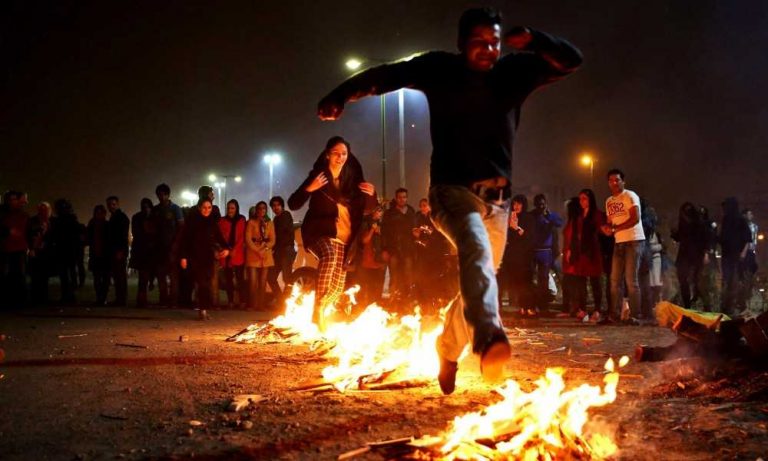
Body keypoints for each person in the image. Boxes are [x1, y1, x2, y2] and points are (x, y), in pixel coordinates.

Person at [317, 7, 582, 393]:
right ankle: (488, 335)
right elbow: (387, 75)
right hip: (451, 192)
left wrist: (537, 40)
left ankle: (447, 347)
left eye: (493, 42)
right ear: (460, 44)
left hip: (498, 203)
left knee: (480, 276)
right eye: (478, 42)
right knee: (475, 249)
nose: (487, 50)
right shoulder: (440, 68)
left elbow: (571, 60)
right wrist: (341, 94)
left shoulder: (513, 72)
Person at [288, 136, 377, 332]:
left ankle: (321, 312)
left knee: (337, 288)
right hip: (319, 233)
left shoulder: (351, 182)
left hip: (344, 241)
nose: (340, 157)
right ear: (327, 154)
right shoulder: (319, 177)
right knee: (328, 255)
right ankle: (317, 309)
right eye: (336, 153)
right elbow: (293, 203)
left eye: (344, 154)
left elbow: (368, 209)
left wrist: (372, 194)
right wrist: (309, 188)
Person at [600, 169, 645, 325]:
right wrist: (606, 229)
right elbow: (611, 222)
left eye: (617, 180)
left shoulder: (630, 196)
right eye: (611, 180)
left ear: (623, 181)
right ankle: (614, 314)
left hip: (634, 240)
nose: (614, 183)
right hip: (619, 242)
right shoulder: (609, 201)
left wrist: (615, 229)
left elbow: (635, 218)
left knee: (631, 280)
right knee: (614, 280)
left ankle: (635, 315)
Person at [180, 198, 230, 309]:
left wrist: (226, 248)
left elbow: (219, 237)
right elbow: (185, 240)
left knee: (207, 283)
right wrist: (183, 257)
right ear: (199, 208)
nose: (207, 210)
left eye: (209, 207)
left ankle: (204, 307)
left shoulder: (212, 222)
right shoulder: (192, 222)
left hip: (208, 257)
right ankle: (202, 308)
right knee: (201, 282)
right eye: (204, 207)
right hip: (195, 257)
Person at [499, 194, 535, 315]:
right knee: (514, 283)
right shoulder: (510, 218)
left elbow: (529, 237)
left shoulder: (528, 218)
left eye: (519, 204)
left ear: (524, 205)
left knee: (526, 283)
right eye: (514, 204)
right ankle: (520, 307)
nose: (516, 206)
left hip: (525, 257)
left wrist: (516, 227)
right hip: (512, 257)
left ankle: (529, 307)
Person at [382, 188, 418, 304]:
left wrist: (416, 235)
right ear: (396, 198)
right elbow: (384, 232)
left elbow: (415, 229)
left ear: (407, 198)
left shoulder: (411, 211)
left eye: (404, 197)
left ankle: (409, 300)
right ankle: (393, 300)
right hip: (393, 249)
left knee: (408, 274)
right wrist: (384, 249)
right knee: (394, 276)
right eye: (400, 197)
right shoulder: (389, 213)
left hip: (408, 249)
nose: (402, 199)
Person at [530, 194, 564, 313]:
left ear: (546, 204)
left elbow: (559, 223)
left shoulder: (550, 215)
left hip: (547, 251)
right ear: (535, 204)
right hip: (534, 250)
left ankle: (544, 305)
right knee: (535, 278)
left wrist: (548, 216)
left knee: (544, 279)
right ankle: (535, 304)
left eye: (543, 204)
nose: (541, 206)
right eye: (539, 204)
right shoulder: (532, 216)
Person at [152, 183, 184, 306]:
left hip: (172, 248)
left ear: (168, 195)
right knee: (161, 275)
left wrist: (176, 244)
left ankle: (173, 300)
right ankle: (163, 299)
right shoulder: (156, 210)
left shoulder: (175, 209)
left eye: (163, 194)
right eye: (159, 195)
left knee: (173, 275)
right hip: (159, 248)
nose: (161, 197)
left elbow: (181, 228)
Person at [671, 202, 706, 310]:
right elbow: (680, 237)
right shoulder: (685, 224)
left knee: (694, 281)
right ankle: (688, 304)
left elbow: (703, 239)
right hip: (685, 255)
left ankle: (698, 303)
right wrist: (674, 234)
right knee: (684, 280)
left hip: (693, 255)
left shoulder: (697, 224)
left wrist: (705, 253)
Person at [719, 197, 750, 315]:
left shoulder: (741, 220)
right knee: (726, 279)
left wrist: (743, 253)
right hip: (726, 254)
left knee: (735, 279)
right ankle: (726, 306)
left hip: (737, 255)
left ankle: (737, 305)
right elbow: (723, 237)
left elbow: (747, 238)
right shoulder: (726, 219)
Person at [0, 190, 29, 307]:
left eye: (15, 199)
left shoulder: (23, 215)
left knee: (19, 275)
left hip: (19, 249)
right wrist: (8, 232)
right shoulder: (3, 214)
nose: (15, 202)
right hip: (5, 249)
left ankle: (18, 300)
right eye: (12, 200)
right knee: (6, 275)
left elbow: (27, 231)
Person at [267, 196, 296, 307]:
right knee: (271, 277)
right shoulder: (276, 219)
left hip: (286, 250)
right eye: (273, 206)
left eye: (278, 205)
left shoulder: (285, 215)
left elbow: (281, 234)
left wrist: (272, 243)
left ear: (282, 205)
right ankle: (281, 300)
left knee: (287, 278)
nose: (276, 207)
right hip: (279, 252)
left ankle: (287, 303)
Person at [246, 201, 275, 310]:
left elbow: (273, 240)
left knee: (263, 282)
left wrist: (265, 248)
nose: (262, 210)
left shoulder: (269, 223)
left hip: (265, 255)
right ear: (256, 210)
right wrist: (258, 251)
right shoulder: (251, 222)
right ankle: (252, 304)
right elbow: (248, 239)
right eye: (260, 208)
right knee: (253, 282)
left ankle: (261, 305)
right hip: (253, 253)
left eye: (264, 208)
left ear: (266, 210)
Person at [356, 205, 386, 308]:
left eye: (381, 212)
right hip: (366, 260)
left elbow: (383, 242)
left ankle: (375, 307)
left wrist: (380, 232)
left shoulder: (381, 224)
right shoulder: (366, 222)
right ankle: (362, 306)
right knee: (364, 286)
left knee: (376, 287)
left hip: (377, 261)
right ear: (374, 211)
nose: (380, 214)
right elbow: (364, 240)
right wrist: (372, 230)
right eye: (378, 211)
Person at [220, 199, 247, 308]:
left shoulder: (241, 219)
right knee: (228, 279)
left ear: (236, 209)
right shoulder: (222, 221)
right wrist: (227, 249)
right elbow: (221, 236)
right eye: (228, 208)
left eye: (232, 208)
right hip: (226, 253)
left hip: (238, 253)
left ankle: (242, 301)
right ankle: (230, 301)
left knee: (240, 279)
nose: (230, 210)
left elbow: (242, 236)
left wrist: (234, 249)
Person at [130, 198, 156, 307]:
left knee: (145, 277)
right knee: (143, 277)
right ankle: (142, 299)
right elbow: (137, 234)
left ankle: (142, 299)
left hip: (149, 251)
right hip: (144, 251)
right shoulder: (139, 218)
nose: (146, 209)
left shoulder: (152, 217)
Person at [27, 202, 53, 305]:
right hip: (36, 250)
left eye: (46, 210)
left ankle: (43, 297)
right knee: (35, 276)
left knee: (44, 276)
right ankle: (36, 297)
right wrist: (31, 248)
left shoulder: (52, 222)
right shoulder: (33, 221)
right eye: (42, 210)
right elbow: (29, 234)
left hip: (46, 252)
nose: (44, 212)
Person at [105, 196, 129, 306]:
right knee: (118, 276)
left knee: (120, 276)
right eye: (109, 204)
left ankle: (121, 299)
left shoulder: (120, 217)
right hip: (116, 251)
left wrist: (120, 251)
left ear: (118, 204)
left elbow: (122, 236)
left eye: (113, 204)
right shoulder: (115, 217)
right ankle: (120, 298)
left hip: (118, 251)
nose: (111, 206)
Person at [86, 204, 110, 305]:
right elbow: (88, 238)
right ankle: (100, 297)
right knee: (98, 278)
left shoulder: (106, 225)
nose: (99, 215)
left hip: (104, 256)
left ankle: (102, 297)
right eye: (98, 213)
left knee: (105, 279)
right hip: (96, 255)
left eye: (101, 213)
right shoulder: (92, 225)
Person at [739, 208, 759, 310]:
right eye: (749, 214)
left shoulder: (754, 226)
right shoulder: (740, 226)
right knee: (741, 276)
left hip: (750, 252)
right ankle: (742, 300)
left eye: (751, 214)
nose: (751, 216)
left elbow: (753, 241)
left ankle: (747, 299)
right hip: (743, 252)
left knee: (749, 274)